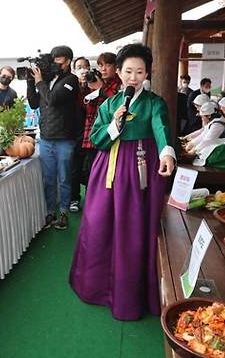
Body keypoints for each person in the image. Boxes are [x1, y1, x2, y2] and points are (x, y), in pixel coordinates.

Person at [70, 43, 175, 321]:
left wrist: (167, 153)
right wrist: (114, 124)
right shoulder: (108, 104)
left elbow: (161, 129)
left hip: (140, 168)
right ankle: (98, 287)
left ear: (147, 73)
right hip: (109, 170)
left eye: (139, 71)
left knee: (136, 226)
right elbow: (96, 139)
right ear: (118, 72)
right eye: (128, 71)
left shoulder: (154, 103)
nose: (133, 77)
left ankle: (134, 294)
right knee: (99, 223)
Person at [27, 45, 80, 230]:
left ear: (68, 61)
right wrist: (30, 81)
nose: (55, 63)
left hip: (65, 138)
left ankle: (64, 213)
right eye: (54, 59)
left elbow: (53, 99)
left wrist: (40, 81)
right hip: (46, 137)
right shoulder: (47, 80)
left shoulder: (72, 80)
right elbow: (34, 103)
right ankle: (50, 212)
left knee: (64, 177)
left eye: (59, 59)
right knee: (49, 178)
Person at [78, 52, 122, 199]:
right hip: (92, 135)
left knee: (108, 174)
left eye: (108, 65)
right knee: (89, 173)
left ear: (116, 67)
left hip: (110, 137)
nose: (103, 69)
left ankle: (105, 203)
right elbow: (83, 106)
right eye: (101, 65)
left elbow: (117, 102)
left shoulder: (119, 83)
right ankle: (94, 203)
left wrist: (100, 88)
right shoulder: (95, 81)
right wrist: (84, 87)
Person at [69, 56, 90, 212]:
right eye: (79, 67)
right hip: (74, 133)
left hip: (90, 135)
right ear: (74, 70)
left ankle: (91, 198)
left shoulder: (94, 86)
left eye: (85, 66)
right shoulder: (70, 87)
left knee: (90, 169)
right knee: (74, 169)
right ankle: (74, 199)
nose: (82, 70)